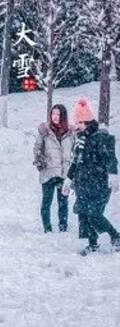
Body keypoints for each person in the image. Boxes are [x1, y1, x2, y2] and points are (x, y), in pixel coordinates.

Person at [62, 97, 119, 256]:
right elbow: (75, 162)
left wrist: (113, 175)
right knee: (85, 214)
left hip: (99, 184)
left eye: (80, 123)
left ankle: (115, 237)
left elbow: (110, 158)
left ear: (87, 122)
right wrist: (68, 180)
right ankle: (92, 244)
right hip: (83, 184)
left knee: (93, 214)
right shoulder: (80, 138)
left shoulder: (100, 138)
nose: (77, 126)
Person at [33, 104, 75, 233]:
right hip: (48, 170)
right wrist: (40, 161)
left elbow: (75, 151)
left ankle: (63, 227)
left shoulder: (70, 133)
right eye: (53, 114)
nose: (55, 117)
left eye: (58, 114)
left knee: (63, 202)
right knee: (47, 201)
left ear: (63, 116)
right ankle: (47, 228)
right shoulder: (45, 132)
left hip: (63, 172)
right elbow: (37, 148)